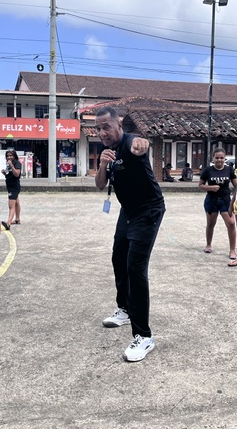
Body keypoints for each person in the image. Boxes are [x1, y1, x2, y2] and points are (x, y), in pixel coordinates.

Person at [94, 106, 165, 362]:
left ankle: (144, 336)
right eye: (98, 129)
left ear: (118, 125)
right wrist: (103, 164)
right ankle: (124, 309)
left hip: (148, 210)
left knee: (135, 269)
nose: (102, 132)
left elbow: (141, 144)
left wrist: (142, 144)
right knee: (118, 258)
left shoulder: (131, 142)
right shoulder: (107, 152)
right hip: (128, 211)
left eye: (106, 127)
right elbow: (100, 185)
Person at [199, 148, 237, 259]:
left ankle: (232, 250)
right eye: (217, 158)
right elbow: (200, 185)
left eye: (221, 158)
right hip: (212, 200)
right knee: (211, 223)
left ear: (225, 159)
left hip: (225, 200)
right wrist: (211, 188)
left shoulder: (229, 169)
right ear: (213, 158)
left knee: (231, 223)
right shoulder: (208, 170)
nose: (219, 160)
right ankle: (208, 244)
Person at [1, 150, 22, 230]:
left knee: (11, 205)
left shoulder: (16, 163)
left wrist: (11, 166)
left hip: (14, 187)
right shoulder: (9, 164)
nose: (9, 157)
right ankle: (17, 219)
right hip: (10, 186)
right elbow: (10, 175)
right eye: (7, 156)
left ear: (14, 156)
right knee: (16, 202)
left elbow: (17, 174)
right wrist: (4, 173)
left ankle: (8, 223)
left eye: (11, 155)